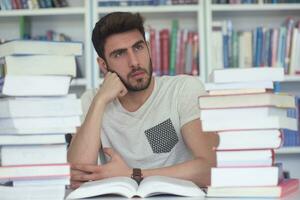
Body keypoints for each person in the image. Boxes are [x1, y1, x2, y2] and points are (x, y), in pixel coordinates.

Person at [67, 12, 217, 189]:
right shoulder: (92, 100)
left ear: (148, 48)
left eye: (138, 48)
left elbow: (211, 169)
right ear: (103, 65)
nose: (134, 61)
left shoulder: (183, 90)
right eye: (119, 54)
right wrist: (100, 101)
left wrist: (133, 174)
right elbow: (77, 177)